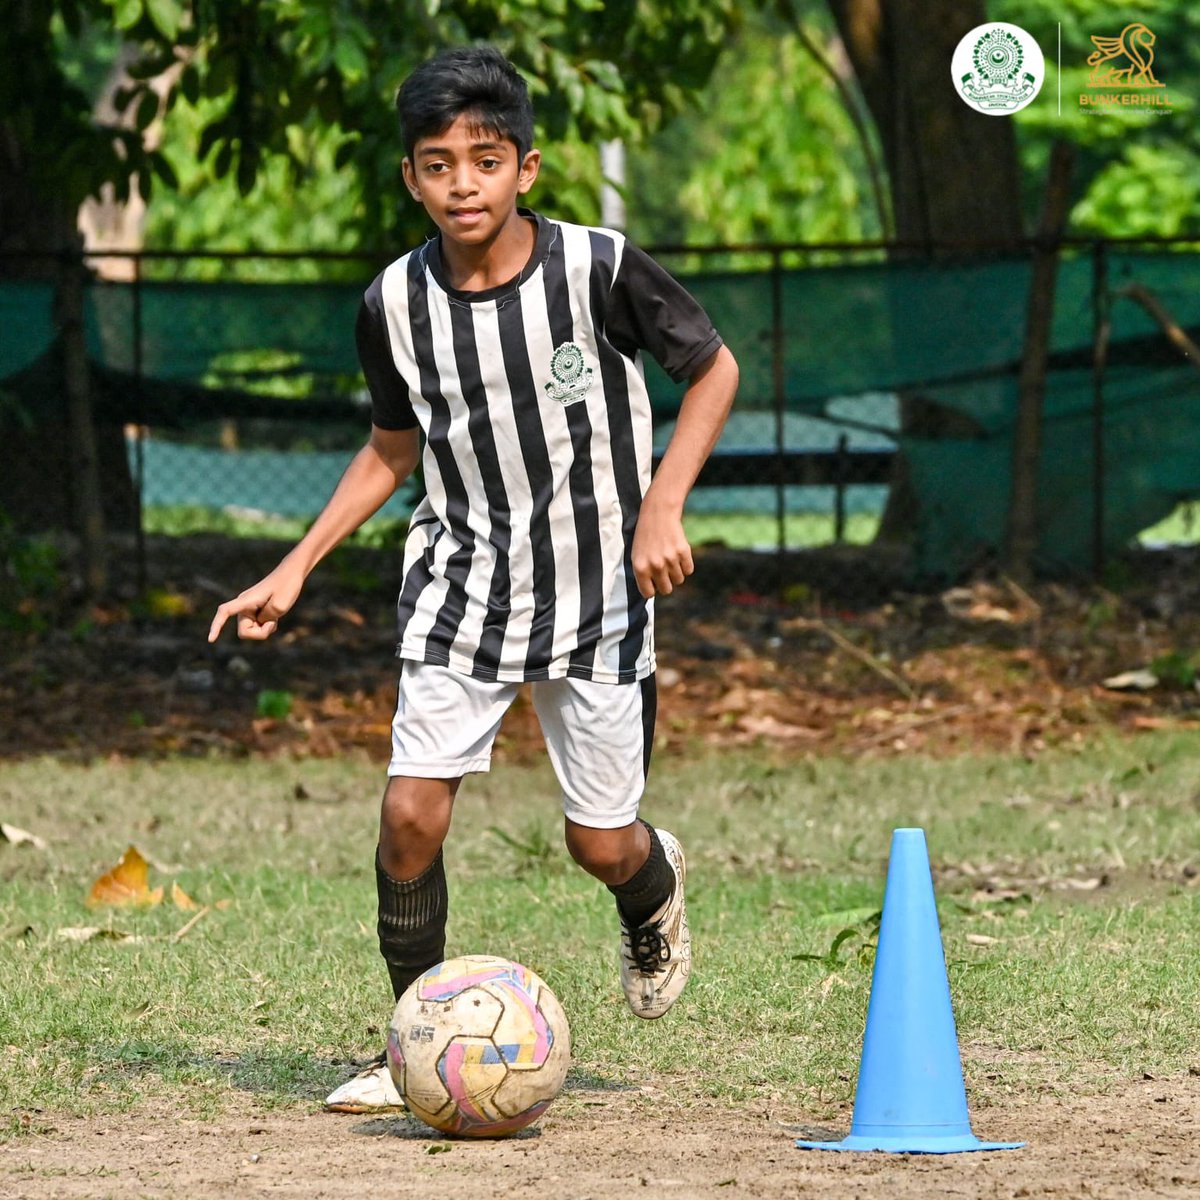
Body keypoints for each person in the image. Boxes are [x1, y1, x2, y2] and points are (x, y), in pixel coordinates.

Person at [208, 44, 738, 1113]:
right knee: (410, 815)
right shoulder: (393, 304)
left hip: (596, 590)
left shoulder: (597, 267)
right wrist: (296, 565)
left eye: (485, 161)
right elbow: (393, 449)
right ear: (411, 178)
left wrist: (663, 508)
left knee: (598, 840)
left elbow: (713, 369)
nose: (463, 184)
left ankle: (651, 886)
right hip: (462, 578)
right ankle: (416, 1044)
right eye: (439, 164)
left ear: (526, 169)